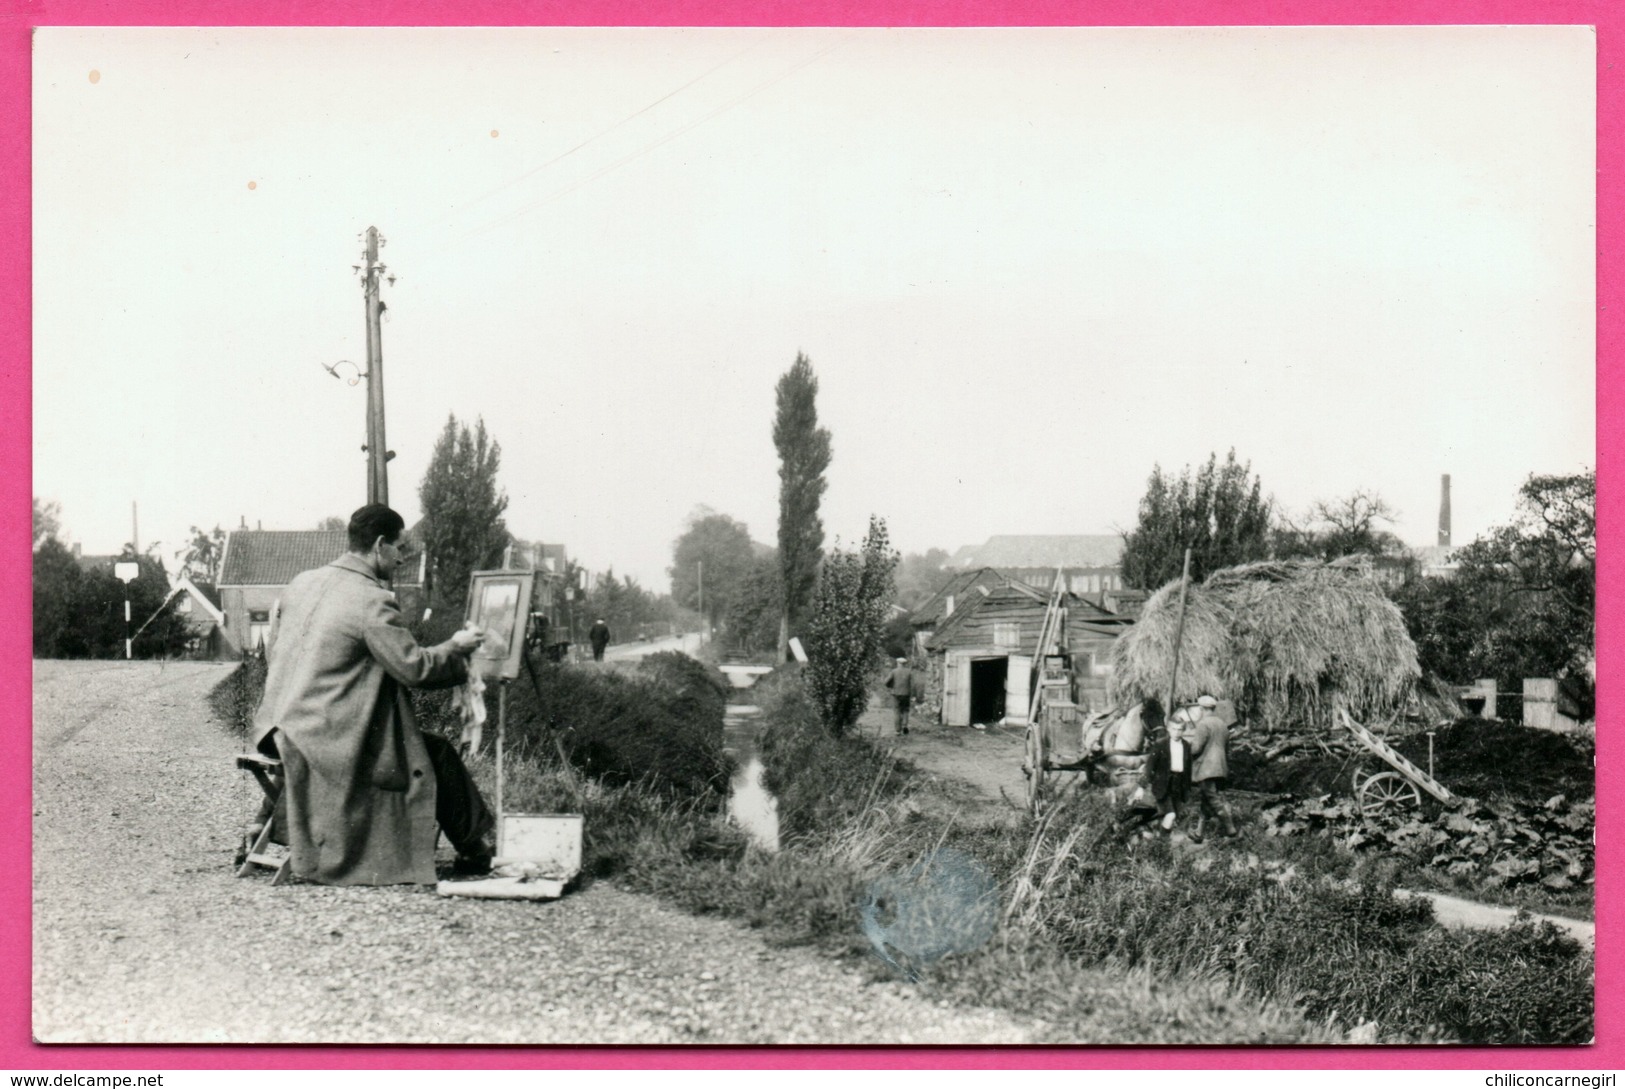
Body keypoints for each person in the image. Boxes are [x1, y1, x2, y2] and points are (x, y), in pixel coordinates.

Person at [249, 504, 495, 886]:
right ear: (380, 545)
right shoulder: (371, 599)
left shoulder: (303, 582)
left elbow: (273, 651)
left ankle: (259, 824)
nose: (401, 559)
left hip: (280, 727)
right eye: (399, 548)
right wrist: (458, 647)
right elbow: (415, 668)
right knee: (438, 753)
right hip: (326, 739)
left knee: (403, 743)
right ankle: (476, 849)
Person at [1187, 694, 1238, 840]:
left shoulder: (1203, 724)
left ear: (1201, 709)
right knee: (1206, 799)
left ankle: (1231, 830)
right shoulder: (1222, 724)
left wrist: (1185, 750)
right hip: (1221, 767)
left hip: (1207, 769)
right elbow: (1226, 748)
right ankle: (1199, 833)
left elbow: (1196, 749)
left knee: (1213, 799)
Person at [884, 657, 918, 735]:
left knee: (897, 711)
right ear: (905, 664)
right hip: (906, 694)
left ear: (898, 663)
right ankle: (905, 726)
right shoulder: (909, 672)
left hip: (896, 694)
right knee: (905, 710)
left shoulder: (894, 671)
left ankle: (897, 730)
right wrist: (913, 694)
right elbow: (914, 684)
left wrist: (890, 686)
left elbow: (886, 682)